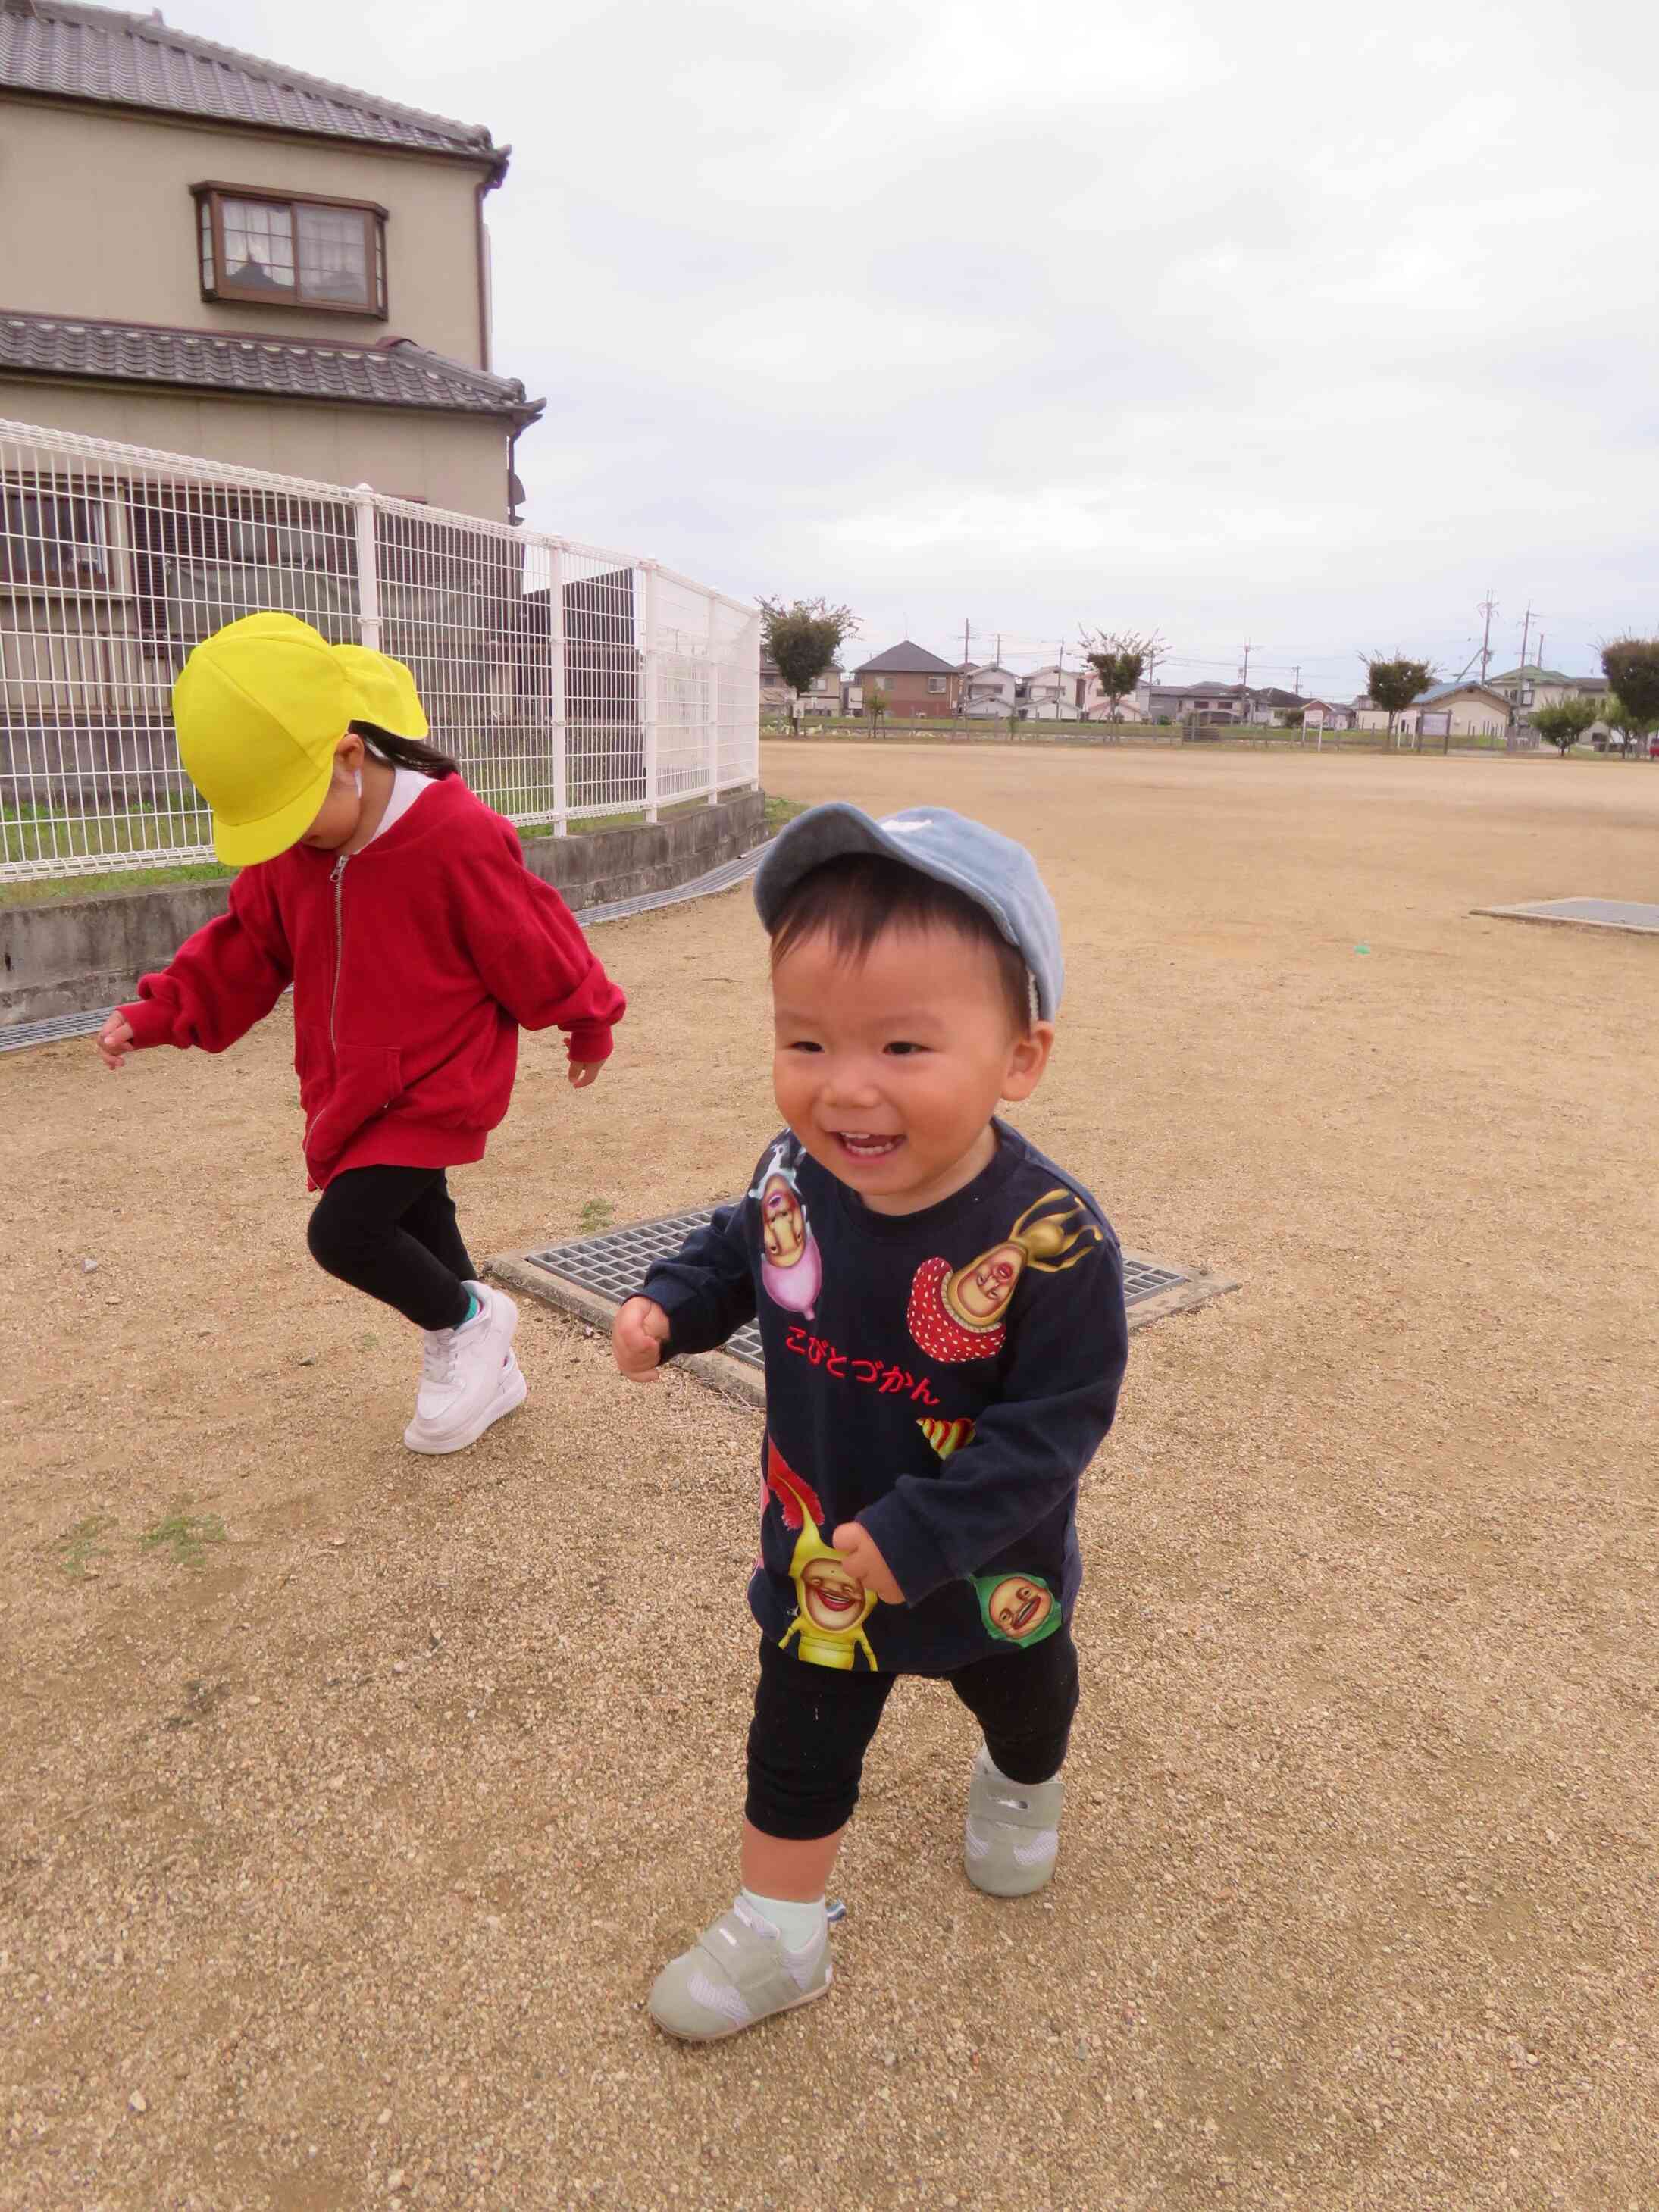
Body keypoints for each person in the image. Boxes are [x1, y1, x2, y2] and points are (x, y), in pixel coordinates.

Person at [612, 802, 1128, 2039]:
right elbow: (737, 1246)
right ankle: (779, 1928)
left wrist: (928, 1529)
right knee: (794, 1730)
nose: (844, 1086)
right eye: (805, 1039)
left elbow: (1052, 1424)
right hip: (819, 1545)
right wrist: (669, 1305)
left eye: (902, 1045)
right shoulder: (796, 1174)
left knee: (1023, 1690)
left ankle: (1018, 1780)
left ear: (1019, 1055)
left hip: (980, 1567)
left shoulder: (1049, 1242)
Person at [98, 612, 624, 1454]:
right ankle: (489, 1366)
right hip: (353, 1083)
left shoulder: (454, 838)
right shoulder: (293, 856)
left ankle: (470, 1320)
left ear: (349, 756)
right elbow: (245, 946)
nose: (289, 841)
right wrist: (162, 1011)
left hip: (443, 1076)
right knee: (419, 1216)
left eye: (295, 815)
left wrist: (585, 1017)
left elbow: (532, 936)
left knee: (344, 1233)